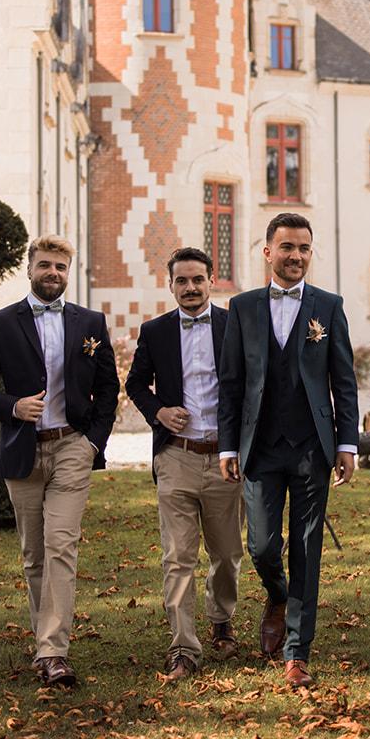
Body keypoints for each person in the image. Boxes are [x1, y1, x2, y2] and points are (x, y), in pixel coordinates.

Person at [0, 235, 118, 687]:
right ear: (29, 268)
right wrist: (13, 406)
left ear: (69, 273)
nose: (53, 273)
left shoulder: (91, 321)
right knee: (35, 554)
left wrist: (93, 442)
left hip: (73, 445)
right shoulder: (1, 322)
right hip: (23, 448)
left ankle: (53, 651)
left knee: (61, 546)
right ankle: (46, 641)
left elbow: (109, 388)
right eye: (46, 265)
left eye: (61, 267)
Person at [217, 212, 359, 690]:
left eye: (303, 248)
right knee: (260, 545)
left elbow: (343, 379)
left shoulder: (330, 306)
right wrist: (226, 444)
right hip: (259, 447)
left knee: (305, 548)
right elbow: (232, 383)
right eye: (287, 248)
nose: (295, 256)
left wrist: (346, 442)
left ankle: (297, 651)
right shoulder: (242, 307)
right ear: (267, 251)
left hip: (312, 449)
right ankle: (277, 595)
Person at [125, 246, 243, 680]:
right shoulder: (154, 332)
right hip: (176, 456)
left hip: (225, 459)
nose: (190, 288)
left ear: (212, 280)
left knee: (228, 553)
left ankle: (221, 620)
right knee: (178, 556)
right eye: (181, 281)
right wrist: (158, 411)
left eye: (198, 280)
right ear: (170, 284)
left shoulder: (235, 326)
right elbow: (135, 383)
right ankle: (183, 648)